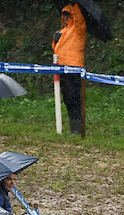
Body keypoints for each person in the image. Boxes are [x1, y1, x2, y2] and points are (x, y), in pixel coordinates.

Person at [52, 2, 87, 135]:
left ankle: (78, 128)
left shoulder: (79, 29)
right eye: (64, 15)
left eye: (68, 15)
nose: (66, 18)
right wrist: (55, 41)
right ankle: (74, 128)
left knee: (75, 98)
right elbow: (57, 51)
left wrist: (74, 5)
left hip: (75, 69)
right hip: (62, 69)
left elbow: (79, 19)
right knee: (68, 99)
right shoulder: (61, 31)